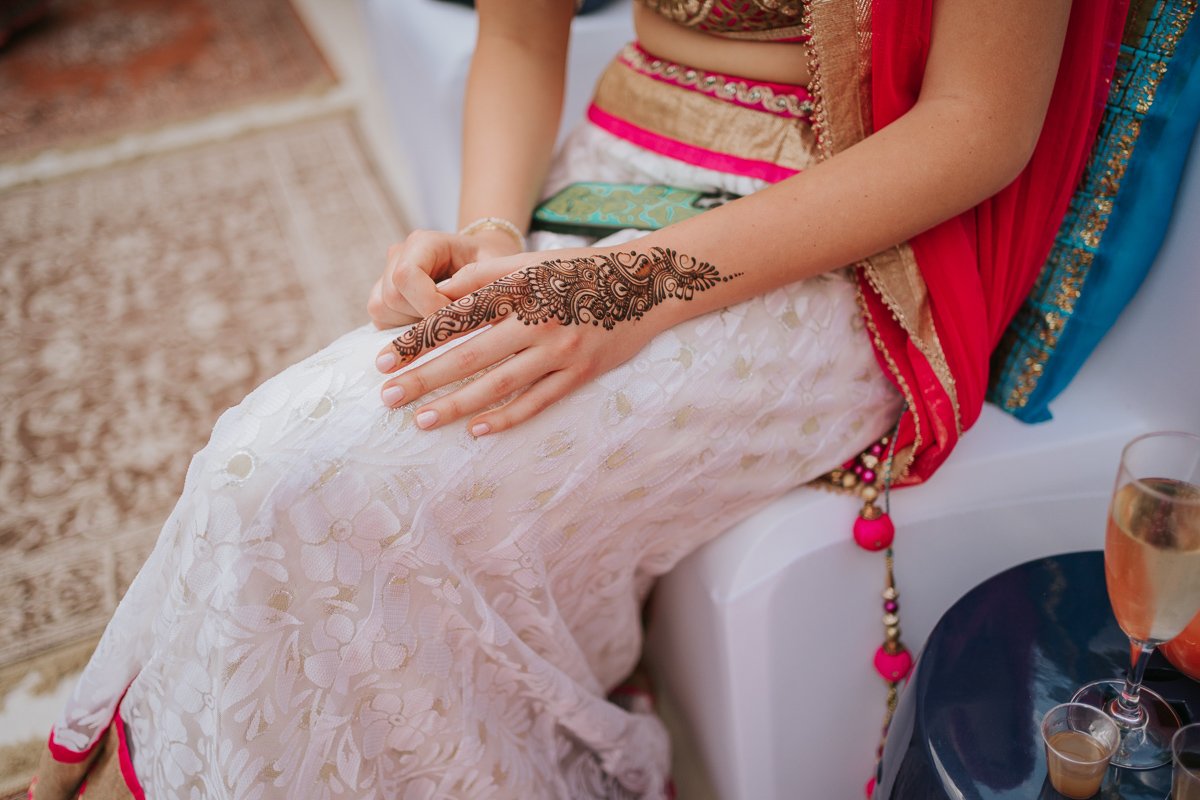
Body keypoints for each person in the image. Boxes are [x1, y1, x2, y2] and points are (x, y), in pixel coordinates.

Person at [31, 0, 1127, 797]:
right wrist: (490, 238)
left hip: (835, 241)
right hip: (608, 170)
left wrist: (626, 289)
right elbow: (516, 32)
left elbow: (978, 126)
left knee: (311, 487)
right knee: (262, 468)